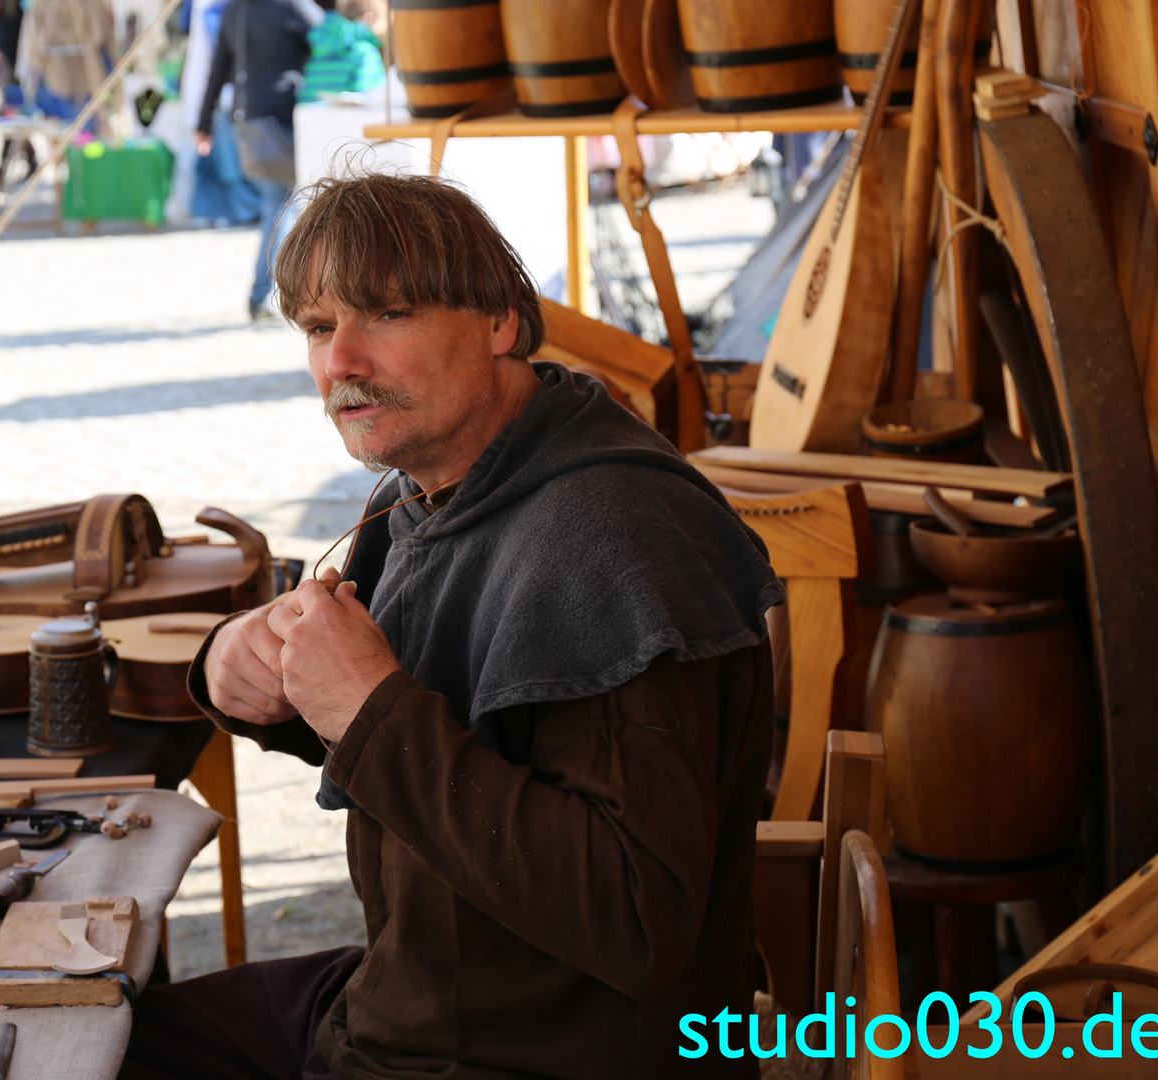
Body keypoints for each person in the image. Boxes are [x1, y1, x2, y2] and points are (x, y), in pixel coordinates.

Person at [118, 173, 783, 1079]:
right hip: (415, 995)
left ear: (500, 321)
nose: (340, 362)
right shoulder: (432, 486)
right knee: (97, 1033)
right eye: (318, 327)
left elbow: (635, 916)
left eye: (385, 315)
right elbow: (448, 729)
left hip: (524, 1054)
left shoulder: (615, 542)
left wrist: (365, 707)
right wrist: (253, 677)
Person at [194, 0, 324, 320]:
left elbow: (218, 67)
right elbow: (328, 36)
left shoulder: (236, 9)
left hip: (248, 117)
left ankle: (271, 293)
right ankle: (265, 295)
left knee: (280, 205)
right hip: (281, 118)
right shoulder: (292, 4)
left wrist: (203, 124)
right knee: (282, 207)